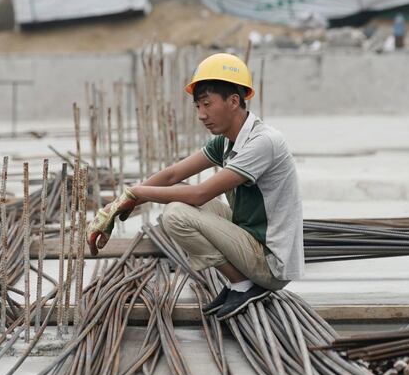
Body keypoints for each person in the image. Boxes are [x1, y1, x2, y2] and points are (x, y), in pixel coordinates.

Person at [88, 53, 304, 319]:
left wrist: (137, 193)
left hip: (271, 262)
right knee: (178, 198)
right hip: (251, 241)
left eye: (207, 104)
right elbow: (172, 175)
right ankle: (241, 281)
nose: (201, 115)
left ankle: (243, 284)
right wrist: (116, 204)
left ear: (234, 101)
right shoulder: (227, 141)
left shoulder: (263, 142)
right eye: (198, 107)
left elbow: (200, 193)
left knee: (176, 214)